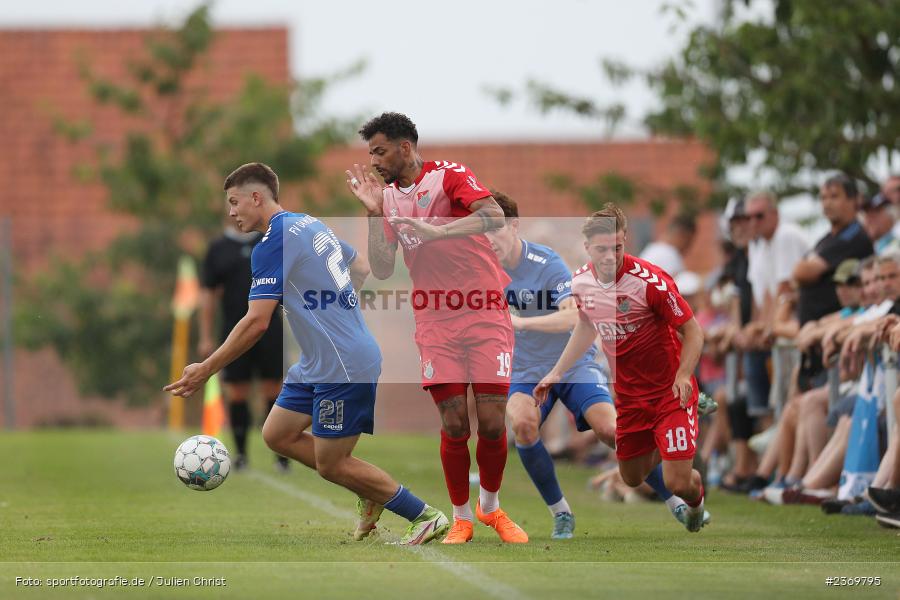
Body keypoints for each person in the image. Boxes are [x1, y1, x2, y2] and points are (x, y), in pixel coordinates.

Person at [166, 162, 449, 545]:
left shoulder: (272, 243)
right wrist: (334, 310)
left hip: (342, 364)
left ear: (256, 197)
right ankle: (369, 491)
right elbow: (360, 266)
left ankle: (423, 515)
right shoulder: (308, 222)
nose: (231, 212)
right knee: (277, 434)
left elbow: (256, 322)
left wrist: (207, 368)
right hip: (318, 362)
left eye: (234, 202)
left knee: (332, 464)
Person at [347, 112, 527, 544]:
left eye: (380, 150)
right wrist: (375, 214)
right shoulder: (387, 200)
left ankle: (491, 509)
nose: (374, 160)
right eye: (370, 152)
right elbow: (386, 267)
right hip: (434, 319)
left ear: (404, 148)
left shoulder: (449, 176)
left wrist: (435, 229)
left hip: (484, 311)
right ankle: (461, 517)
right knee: (453, 424)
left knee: (492, 421)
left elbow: (493, 216)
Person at [486, 192, 709, 537]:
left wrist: (522, 324)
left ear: (513, 227)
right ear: (588, 248)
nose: (487, 237)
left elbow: (571, 318)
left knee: (610, 432)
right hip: (532, 371)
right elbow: (588, 323)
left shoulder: (551, 266)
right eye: (481, 230)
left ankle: (678, 499)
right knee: (525, 426)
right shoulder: (487, 268)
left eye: (494, 229)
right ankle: (561, 513)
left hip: (588, 370)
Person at [199, 223, 288, 471]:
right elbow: (208, 295)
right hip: (233, 331)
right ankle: (240, 455)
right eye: (231, 202)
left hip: (270, 328)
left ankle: (282, 457)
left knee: (273, 389)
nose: (234, 210)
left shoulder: (268, 242)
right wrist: (205, 336)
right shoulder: (217, 248)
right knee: (237, 391)